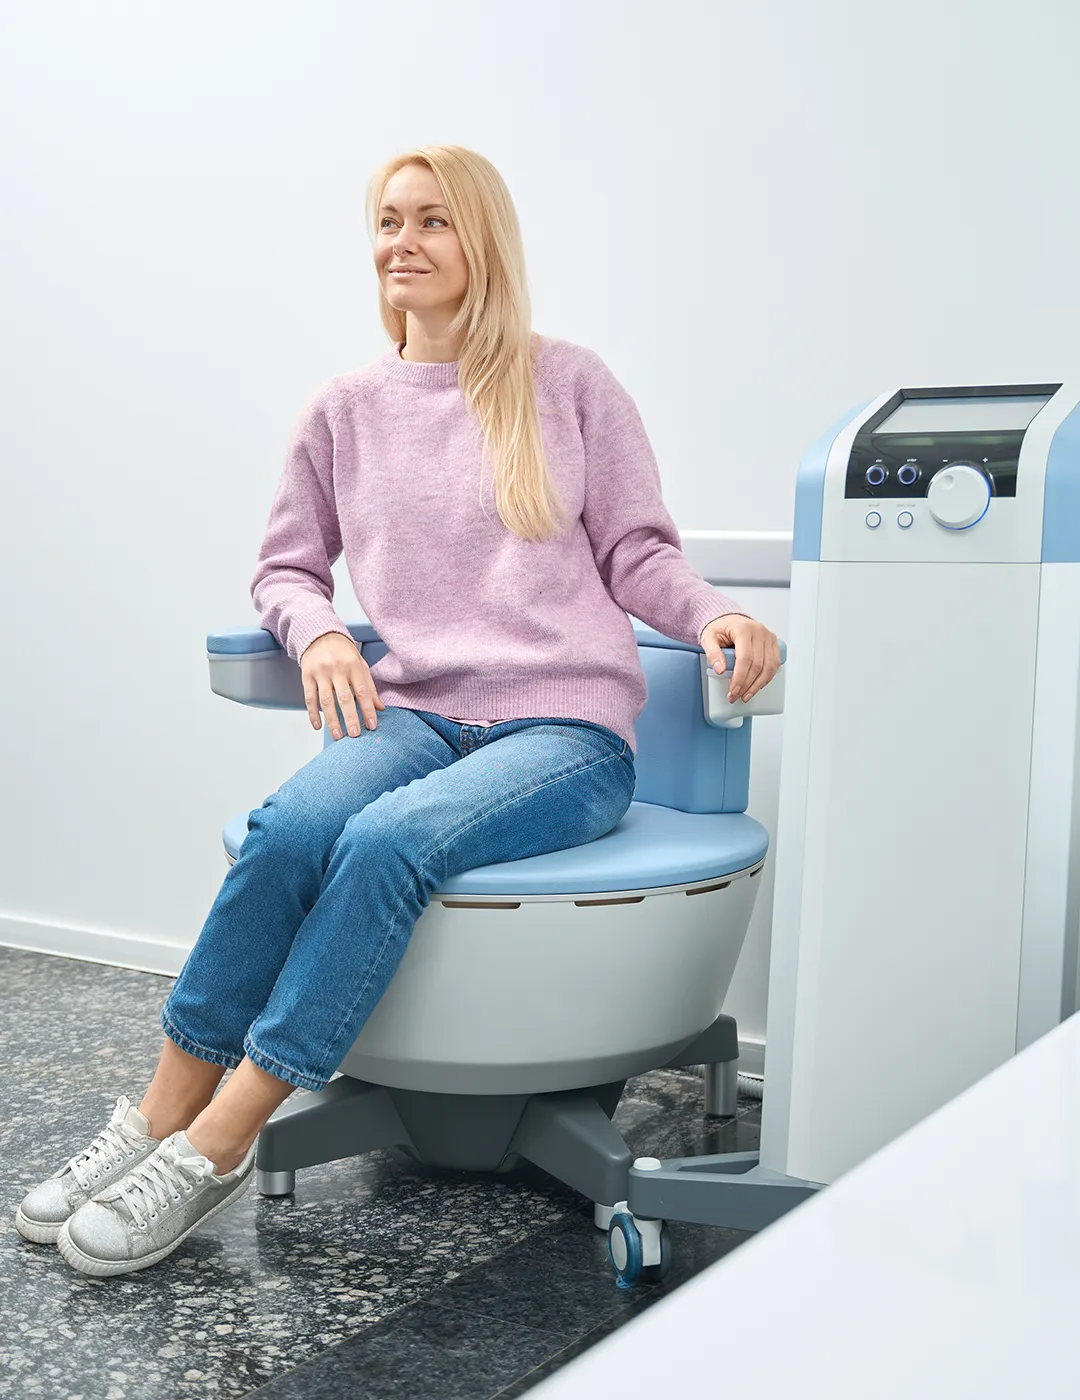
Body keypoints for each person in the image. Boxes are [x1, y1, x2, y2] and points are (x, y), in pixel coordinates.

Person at [16, 145, 781, 1276]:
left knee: (388, 840)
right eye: (388, 221)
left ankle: (220, 1141)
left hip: (566, 732)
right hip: (419, 711)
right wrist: (318, 629)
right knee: (289, 830)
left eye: (433, 221)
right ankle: (154, 1115)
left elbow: (636, 550)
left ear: (483, 242)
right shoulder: (345, 410)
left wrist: (717, 612)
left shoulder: (566, 383)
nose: (403, 242)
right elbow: (283, 569)